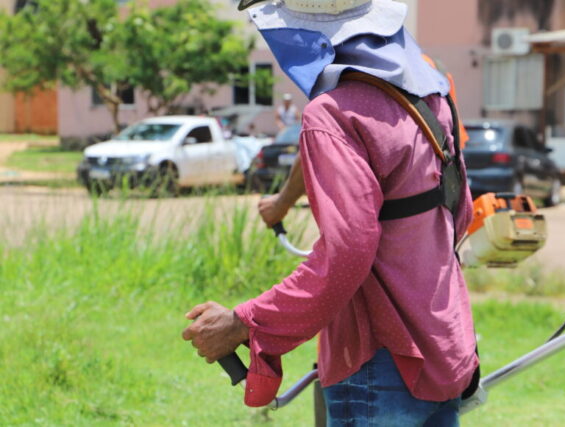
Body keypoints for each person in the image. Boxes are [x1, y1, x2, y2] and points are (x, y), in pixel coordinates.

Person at [182, 1, 478, 425]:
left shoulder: (332, 113)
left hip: (380, 358)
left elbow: (347, 254)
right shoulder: (433, 98)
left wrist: (243, 322)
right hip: (444, 345)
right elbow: (460, 213)